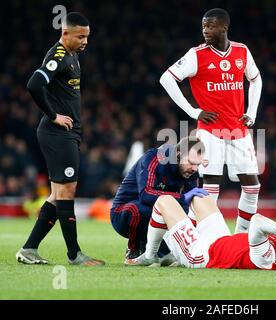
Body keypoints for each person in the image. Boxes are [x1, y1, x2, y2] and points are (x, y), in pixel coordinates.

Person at [160, 8, 263, 234]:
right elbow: (166, 79)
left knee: (252, 187)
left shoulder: (241, 51)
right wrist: (193, 111)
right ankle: (202, 239)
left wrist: (252, 112)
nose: (205, 30)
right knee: (210, 189)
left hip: (239, 130)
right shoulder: (196, 55)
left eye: (210, 26)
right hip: (210, 131)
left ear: (224, 27)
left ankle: (241, 236)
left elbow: (256, 80)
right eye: (203, 26)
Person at [16, 12, 105, 266]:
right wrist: (54, 115)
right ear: (65, 34)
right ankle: (74, 254)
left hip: (68, 133)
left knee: (58, 194)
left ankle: (29, 249)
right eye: (80, 36)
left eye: (87, 36)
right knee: (66, 191)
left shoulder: (73, 55)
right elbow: (34, 84)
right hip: (57, 133)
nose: (85, 41)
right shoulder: (59, 56)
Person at [138, 194, 276, 271]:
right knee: (200, 196)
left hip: (201, 254)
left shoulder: (267, 258)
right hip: (219, 239)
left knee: (165, 201)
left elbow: (257, 221)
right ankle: (178, 245)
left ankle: (150, 255)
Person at [110, 136, 209, 265]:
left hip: (154, 215)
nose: (194, 169)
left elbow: (184, 208)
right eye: (191, 162)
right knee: (139, 210)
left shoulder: (190, 172)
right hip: (122, 214)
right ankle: (134, 250)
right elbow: (145, 194)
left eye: (197, 164)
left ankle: (161, 251)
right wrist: (181, 198)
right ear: (178, 154)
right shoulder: (154, 158)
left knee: (178, 213)